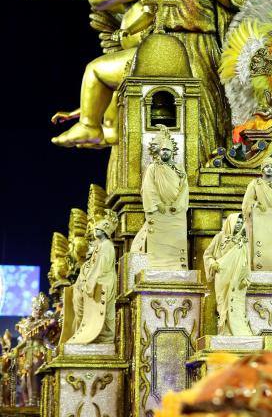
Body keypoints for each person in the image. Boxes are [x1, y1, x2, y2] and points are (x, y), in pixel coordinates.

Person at [53, 0, 244, 162]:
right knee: (96, 70)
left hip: (200, 47)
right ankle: (90, 126)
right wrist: (130, 31)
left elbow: (237, 0)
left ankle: (205, 167)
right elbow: (151, 9)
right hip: (163, 47)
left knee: (202, 117)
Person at [132, 126, 189, 269]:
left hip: (176, 214)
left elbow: (184, 189)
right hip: (159, 212)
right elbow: (148, 188)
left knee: (176, 247)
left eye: (167, 150)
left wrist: (177, 205)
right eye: (163, 150)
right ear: (159, 151)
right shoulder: (153, 168)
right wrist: (158, 204)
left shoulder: (179, 169)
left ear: (172, 152)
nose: (165, 152)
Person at [65, 210, 118, 345]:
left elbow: (101, 267)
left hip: (103, 282)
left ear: (104, 231)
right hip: (96, 281)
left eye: (97, 228)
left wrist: (91, 281)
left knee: (104, 313)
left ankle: (104, 337)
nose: (95, 231)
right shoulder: (99, 247)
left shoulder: (107, 246)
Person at [203, 213, 252, 336]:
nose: (239, 225)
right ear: (230, 222)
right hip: (222, 277)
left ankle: (237, 331)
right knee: (222, 304)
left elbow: (246, 262)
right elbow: (207, 255)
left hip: (237, 279)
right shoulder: (219, 237)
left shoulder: (243, 241)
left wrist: (247, 278)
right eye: (237, 222)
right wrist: (212, 263)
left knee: (237, 304)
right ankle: (224, 331)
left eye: (241, 223)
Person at [242, 157, 272, 271]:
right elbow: (247, 202)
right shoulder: (255, 183)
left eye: (271, 167)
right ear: (262, 169)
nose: (269, 169)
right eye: (267, 167)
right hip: (260, 222)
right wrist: (257, 205)